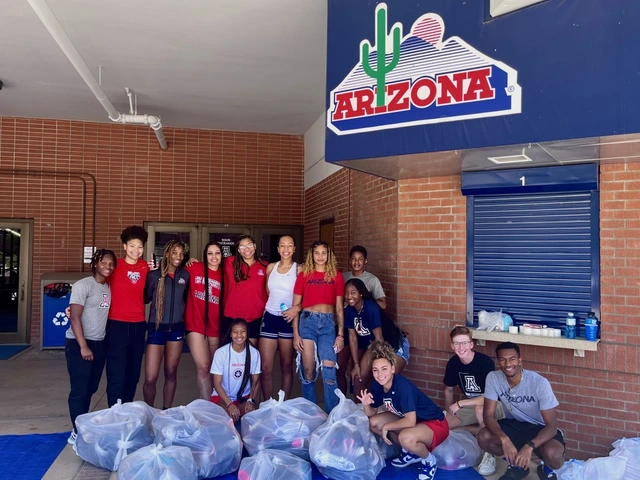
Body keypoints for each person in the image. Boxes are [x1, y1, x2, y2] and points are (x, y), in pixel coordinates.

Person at [358, 341, 449, 480]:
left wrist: (387, 427)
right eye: (375, 370)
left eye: (384, 369)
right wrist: (366, 405)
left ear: (393, 368)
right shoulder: (377, 384)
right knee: (374, 423)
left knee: (405, 436)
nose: (379, 374)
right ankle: (411, 452)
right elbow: (372, 413)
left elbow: (410, 421)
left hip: (435, 423)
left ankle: (429, 461)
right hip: (414, 422)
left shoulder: (402, 386)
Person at [478, 342, 565, 480]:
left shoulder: (539, 383)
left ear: (520, 360)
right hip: (515, 424)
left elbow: (552, 427)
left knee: (553, 455)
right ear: (498, 361)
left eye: (512, 359)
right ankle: (517, 467)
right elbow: (488, 416)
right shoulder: (493, 378)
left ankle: (546, 469)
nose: (507, 364)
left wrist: (528, 447)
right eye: (502, 359)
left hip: (540, 428)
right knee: (484, 437)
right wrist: (505, 439)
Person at [65, 249, 116, 445]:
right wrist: (83, 346)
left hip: (99, 343)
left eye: (111, 264)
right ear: (95, 263)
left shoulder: (109, 287)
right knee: (79, 389)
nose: (107, 267)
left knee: (91, 387)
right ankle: (77, 431)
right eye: (104, 262)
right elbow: (75, 316)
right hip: (79, 343)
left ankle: (82, 424)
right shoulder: (83, 285)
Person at [443, 325, 504, 476]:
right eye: (457, 343)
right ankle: (477, 436)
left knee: (480, 409)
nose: (461, 347)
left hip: (494, 403)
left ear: (471, 344)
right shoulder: (453, 363)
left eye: (464, 343)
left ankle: (488, 454)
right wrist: (449, 411)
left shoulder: (484, 362)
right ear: (452, 346)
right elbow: (449, 389)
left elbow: (491, 396)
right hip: (471, 403)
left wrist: (460, 404)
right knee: (445, 426)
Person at [292, 240, 345, 413]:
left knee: (329, 369)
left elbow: (339, 308)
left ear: (329, 255)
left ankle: (332, 415)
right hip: (307, 322)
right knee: (308, 370)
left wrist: (341, 335)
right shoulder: (304, 275)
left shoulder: (336, 276)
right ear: (311, 255)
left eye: (324, 253)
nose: (320, 256)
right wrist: (295, 334)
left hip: (328, 325)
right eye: (317, 253)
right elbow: (295, 307)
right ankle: (311, 413)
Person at [105, 226, 150, 406]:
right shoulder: (115, 265)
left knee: (133, 374)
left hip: (139, 326)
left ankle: (127, 411)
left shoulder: (146, 266)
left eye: (139, 247)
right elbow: (97, 284)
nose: (136, 251)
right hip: (117, 325)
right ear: (124, 246)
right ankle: (114, 413)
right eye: (132, 246)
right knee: (117, 374)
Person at [345, 278, 409, 400]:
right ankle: (361, 416)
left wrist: (378, 367)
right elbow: (352, 338)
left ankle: (389, 414)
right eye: (346, 293)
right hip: (374, 345)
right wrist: (356, 364)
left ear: (361, 293)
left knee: (386, 381)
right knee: (358, 379)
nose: (349, 296)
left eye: (353, 292)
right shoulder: (349, 309)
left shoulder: (370, 306)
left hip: (392, 345)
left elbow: (379, 339)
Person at [142, 240, 189, 409]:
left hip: (176, 328)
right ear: (167, 254)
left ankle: (167, 412)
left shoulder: (185, 275)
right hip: (156, 328)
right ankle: (150, 412)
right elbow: (145, 298)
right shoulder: (154, 276)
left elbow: (186, 300)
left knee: (171, 373)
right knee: (150, 377)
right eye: (174, 253)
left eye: (181, 253)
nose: (178, 256)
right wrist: (147, 272)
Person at [338, 245, 387, 393]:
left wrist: (364, 300)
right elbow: (338, 300)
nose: (356, 262)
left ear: (365, 261)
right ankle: (342, 402)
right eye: (353, 259)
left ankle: (362, 400)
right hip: (348, 324)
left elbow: (383, 304)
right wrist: (347, 302)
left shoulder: (372, 280)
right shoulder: (343, 277)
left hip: (366, 329)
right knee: (339, 366)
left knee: (359, 367)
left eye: (360, 259)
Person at [259, 235, 301, 400]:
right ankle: (268, 404)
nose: (286, 249)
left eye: (289, 245)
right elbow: (269, 292)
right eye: (282, 245)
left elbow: (306, 297)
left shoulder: (299, 269)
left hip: (288, 320)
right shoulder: (270, 268)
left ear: (294, 248)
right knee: (266, 367)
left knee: (286, 366)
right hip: (270, 317)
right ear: (277, 249)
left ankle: (283, 404)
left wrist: (296, 308)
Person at [184, 242, 224, 400]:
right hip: (195, 324)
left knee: (215, 369)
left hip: (215, 326)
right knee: (203, 366)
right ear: (205, 255)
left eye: (217, 253)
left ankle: (215, 404)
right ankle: (206, 406)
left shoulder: (224, 274)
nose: (214, 257)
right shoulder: (194, 268)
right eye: (210, 253)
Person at [210, 319, 261, 422]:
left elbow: (256, 381)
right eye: (235, 331)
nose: (239, 335)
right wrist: (230, 404)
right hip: (222, 398)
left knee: (252, 417)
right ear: (230, 334)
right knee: (226, 419)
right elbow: (217, 383)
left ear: (247, 333)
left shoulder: (254, 353)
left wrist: (251, 400)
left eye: (243, 331)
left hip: (243, 398)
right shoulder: (221, 353)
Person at [222, 235, 268, 346]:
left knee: (250, 353)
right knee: (231, 355)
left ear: (255, 246)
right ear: (238, 249)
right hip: (231, 316)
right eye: (242, 246)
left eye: (249, 245)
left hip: (255, 317)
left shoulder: (265, 266)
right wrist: (192, 262)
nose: (246, 249)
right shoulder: (229, 262)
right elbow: (211, 264)